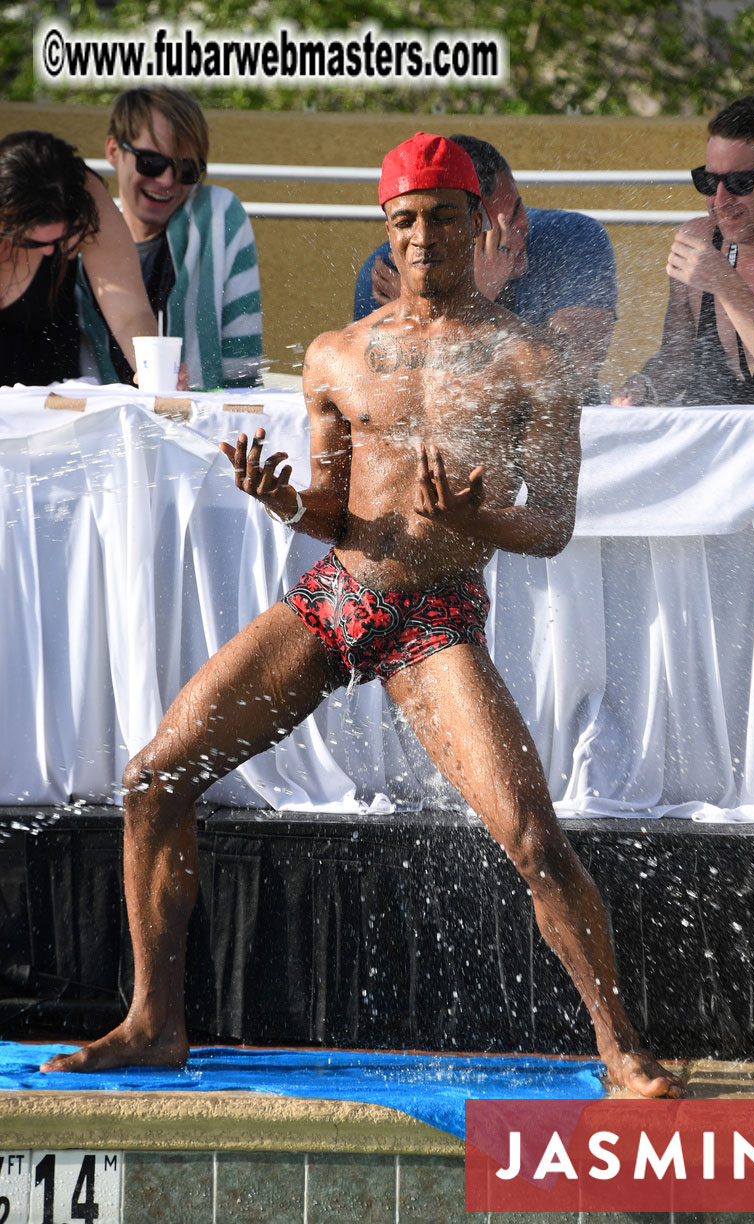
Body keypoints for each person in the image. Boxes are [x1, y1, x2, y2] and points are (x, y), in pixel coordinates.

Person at [41, 132, 681, 1098]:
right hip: (338, 594)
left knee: (535, 841)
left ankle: (621, 1045)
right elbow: (334, 508)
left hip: (435, 619)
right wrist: (284, 502)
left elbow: (552, 526)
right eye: (405, 220)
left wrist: (479, 516)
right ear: (387, 227)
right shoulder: (341, 354)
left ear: (480, 222)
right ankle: (153, 1021)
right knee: (153, 778)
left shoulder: (527, 361)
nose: (423, 237)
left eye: (443, 217)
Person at [353, 133, 618, 402]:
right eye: (494, 232)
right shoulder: (394, 267)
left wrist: (459, 303)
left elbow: (571, 372)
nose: (516, 237)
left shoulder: (572, 239)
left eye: (516, 211)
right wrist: (469, 298)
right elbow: (393, 402)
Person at [614, 95, 754, 406]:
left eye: (739, 182)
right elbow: (676, 360)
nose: (719, 200)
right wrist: (643, 388)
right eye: (708, 180)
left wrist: (726, 284)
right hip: (712, 445)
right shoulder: (698, 238)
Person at [78, 87, 263, 390]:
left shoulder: (218, 217)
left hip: (197, 428)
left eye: (186, 169)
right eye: (150, 162)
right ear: (113, 150)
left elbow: (243, 369)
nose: (167, 181)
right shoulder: (77, 236)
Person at [0, 130, 157, 387]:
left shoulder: (84, 192)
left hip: (55, 399)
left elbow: (130, 311)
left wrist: (151, 367)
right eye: (32, 243)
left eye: (60, 239)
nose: (50, 251)